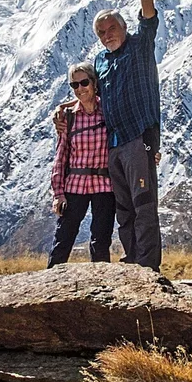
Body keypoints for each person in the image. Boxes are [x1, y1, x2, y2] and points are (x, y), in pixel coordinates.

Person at [89, 0, 164, 269]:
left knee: (144, 204)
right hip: (114, 144)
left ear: (123, 27)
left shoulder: (140, 44)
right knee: (124, 208)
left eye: (111, 28)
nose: (108, 35)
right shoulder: (100, 61)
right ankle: (132, 261)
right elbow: (92, 97)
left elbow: (149, 16)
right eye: (102, 33)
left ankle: (149, 268)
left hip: (139, 137)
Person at [47, 64, 116, 266]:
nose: (80, 88)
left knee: (101, 240)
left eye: (84, 82)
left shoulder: (108, 112)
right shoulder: (68, 118)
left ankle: (101, 288)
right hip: (74, 184)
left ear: (94, 83)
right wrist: (58, 193)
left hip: (104, 184)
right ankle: (50, 286)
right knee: (63, 238)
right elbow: (61, 157)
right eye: (74, 85)